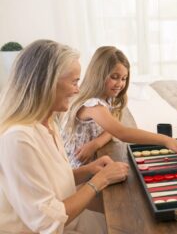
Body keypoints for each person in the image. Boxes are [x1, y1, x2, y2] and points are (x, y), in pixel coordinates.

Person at [0, 40, 129, 233]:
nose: (78, 89)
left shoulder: (48, 122)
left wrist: (89, 170)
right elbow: (46, 221)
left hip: (71, 220)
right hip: (50, 229)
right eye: (74, 81)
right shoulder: (17, 139)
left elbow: (50, 183)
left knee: (125, 221)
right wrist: (99, 180)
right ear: (47, 83)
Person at [61, 46, 177, 168]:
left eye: (124, 78)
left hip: (94, 159)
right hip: (79, 169)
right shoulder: (93, 105)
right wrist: (166, 140)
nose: (120, 84)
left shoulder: (107, 98)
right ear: (98, 75)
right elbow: (122, 133)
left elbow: (113, 128)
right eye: (114, 77)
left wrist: (96, 143)